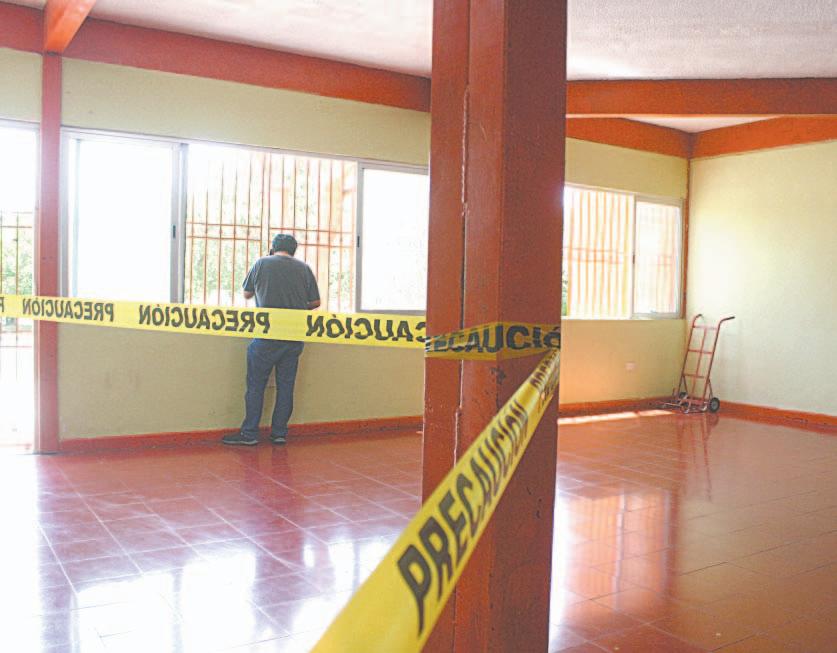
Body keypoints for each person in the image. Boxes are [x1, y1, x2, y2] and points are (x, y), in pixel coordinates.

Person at [222, 234, 320, 446]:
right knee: (286, 387)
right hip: (293, 336)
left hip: (266, 336)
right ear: (294, 250)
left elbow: (247, 294)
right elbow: (315, 302)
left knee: (256, 385)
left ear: (272, 248)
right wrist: (296, 308)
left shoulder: (262, 263)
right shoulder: (304, 269)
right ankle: (279, 433)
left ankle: (249, 433)